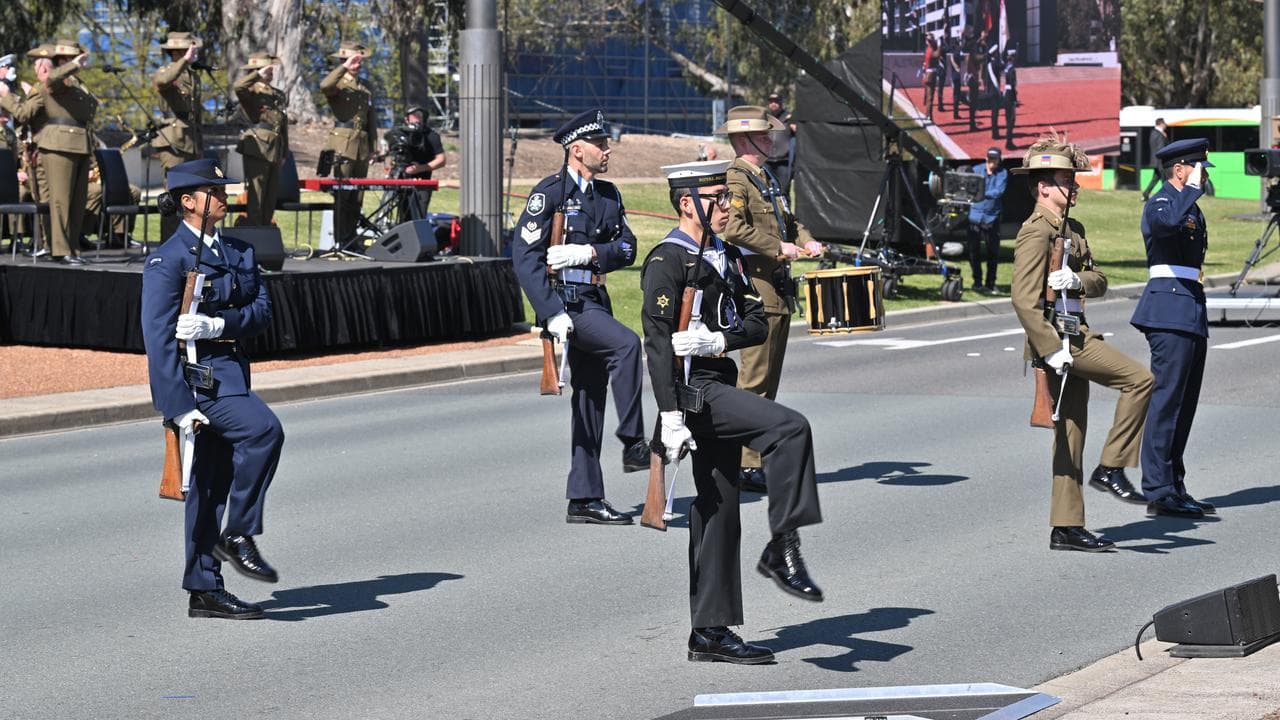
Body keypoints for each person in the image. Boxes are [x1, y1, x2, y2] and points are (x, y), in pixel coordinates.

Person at [641, 159, 824, 664]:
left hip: (717, 377)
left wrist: (718, 338)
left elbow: (756, 323)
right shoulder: (667, 261)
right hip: (694, 392)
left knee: (719, 506)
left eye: (725, 197)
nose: (726, 206)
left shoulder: (725, 256)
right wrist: (671, 416)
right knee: (789, 427)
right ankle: (782, 546)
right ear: (687, 204)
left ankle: (709, 633)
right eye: (716, 199)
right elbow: (657, 346)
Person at [140, 158, 285, 620]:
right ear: (188, 201)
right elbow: (157, 339)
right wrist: (177, 406)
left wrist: (218, 322)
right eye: (213, 193)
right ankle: (238, 533)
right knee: (264, 431)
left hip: (232, 374)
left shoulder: (240, 252)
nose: (224, 198)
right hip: (198, 382)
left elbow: (262, 315)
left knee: (209, 485)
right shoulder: (168, 260)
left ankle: (204, 588)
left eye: (224, 191)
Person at [1010, 133, 1153, 552]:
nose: (1074, 187)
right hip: (1061, 342)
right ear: (1043, 187)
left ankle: (1066, 526)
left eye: (1073, 180)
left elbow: (1100, 280)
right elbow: (1023, 299)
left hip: (1075, 332)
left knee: (1071, 433)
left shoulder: (1072, 229)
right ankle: (1111, 467)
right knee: (1139, 380)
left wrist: (1077, 279)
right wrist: (1050, 348)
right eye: (1065, 180)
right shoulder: (1035, 232)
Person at [511, 109, 648, 525]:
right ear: (576, 150)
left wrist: (590, 253)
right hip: (567, 304)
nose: (608, 149)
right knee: (627, 345)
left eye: (606, 142)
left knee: (589, 399)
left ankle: (584, 497)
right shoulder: (548, 194)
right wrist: (550, 313)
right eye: (600, 143)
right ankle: (633, 440)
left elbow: (628, 249)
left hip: (594, 299)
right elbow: (524, 257)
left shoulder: (608, 195)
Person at [717, 105, 823, 494]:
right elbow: (733, 227)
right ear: (744, 140)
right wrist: (779, 248)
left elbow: (789, 221)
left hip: (776, 288)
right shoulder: (736, 178)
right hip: (756, 288)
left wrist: (805, 239)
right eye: (763, 135)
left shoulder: (766, 178)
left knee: (769, 379)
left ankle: (754, 456)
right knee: (755, 378)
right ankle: (744, 463)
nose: (770, 140)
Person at [1131, 138, 1216, 519]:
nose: (1203, 177)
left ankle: (1174, 484)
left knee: (1185, 405)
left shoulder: (1190, 208)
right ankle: (1158, 489)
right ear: (1180, 169)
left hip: (1190, 309)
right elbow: (1165, 227)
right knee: (1167, 402)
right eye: (1197, 169)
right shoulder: (1162, 202)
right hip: (1168, 310)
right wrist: (1192, 189)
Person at [0, 40, 96, 265]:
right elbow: (28, 109)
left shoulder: (74, 83)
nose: (75, 61)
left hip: (80, 142)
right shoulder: (53, 82)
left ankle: (72, 249)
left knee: (77, 201)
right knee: (60, 201)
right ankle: (60, 250)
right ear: (61, 61)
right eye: (70, 58)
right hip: (58, 145)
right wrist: (6, 95)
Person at [320, 41, 377, 250]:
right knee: (342, 194)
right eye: (352, 60)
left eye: (358, 60)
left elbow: (372, 117)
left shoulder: (366, 86)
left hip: (361, 143)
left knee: (357, 195)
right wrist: (344, 67)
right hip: (342, 142)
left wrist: (373, 145)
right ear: (343, 61)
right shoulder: (338, 82)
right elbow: (324, 86)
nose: (357, 64)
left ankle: (352, 239)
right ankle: (341, 240)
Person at [153, 32, 205, 241]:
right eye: (185, 50)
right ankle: (169, 242)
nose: (190, 54)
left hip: (191, 139)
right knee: (174, 196)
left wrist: (200, 145)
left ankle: (190, 242)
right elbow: (163, 81)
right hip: (173, 139)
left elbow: (196, 113)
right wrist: (184, 60)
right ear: (175, 52)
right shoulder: (165, 71)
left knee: (192, 196)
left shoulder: (193, 76)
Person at [233, 52, 289, 227]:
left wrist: (284, 151)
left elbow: (283, 124)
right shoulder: (250, 91)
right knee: (256, 194)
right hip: (257, 144)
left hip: (275, 147)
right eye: (266, 69)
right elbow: (238, 87)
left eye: (271, 69)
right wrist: (257, 75)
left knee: (270, 196)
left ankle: (264, 231)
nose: (270, 72)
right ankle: (255, 233)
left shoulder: (278, 94)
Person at [385, 105, 445, 223]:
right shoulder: (399, 134)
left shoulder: (431, 136)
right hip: (401, 179)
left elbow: (441, 160)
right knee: (403, 217)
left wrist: (420, 168)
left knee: (418, 217)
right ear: (406, 119)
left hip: (422, 183)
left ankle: (414, 239)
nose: (417, 118)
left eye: (420, 116)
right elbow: (389, 151)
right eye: (414, 115)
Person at [968, 147, 1009, 294]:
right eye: (990, 159)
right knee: (974, 251)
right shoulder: (975, 170)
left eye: (995, 159)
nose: (992, 162)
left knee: (993, 252)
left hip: (992, 217)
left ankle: (990, 283)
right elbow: (969, 188)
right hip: (975, 215)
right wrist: (978, 193)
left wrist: (980, 193)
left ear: (999, 160)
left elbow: (998, 192)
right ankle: (977, 282)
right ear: (986, 158)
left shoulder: (1002, 173)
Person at [763, 92, 795, 197]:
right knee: (767, 192)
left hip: (783, 162)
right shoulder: (765, 118)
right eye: (771, 101)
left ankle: (786, 213)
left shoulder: (789, 117)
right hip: (767, 161)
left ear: (781, 103)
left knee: (783, 191)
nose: (773, 104)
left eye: (776, 101)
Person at [991, 47, 1017, 151]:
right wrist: (1015, 96)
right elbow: (1012, 84)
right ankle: (1009, 142)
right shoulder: (1012, 69)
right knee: (1011, 119)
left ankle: (1009, 140)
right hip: (1010, 95)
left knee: (1008, 119)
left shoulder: (1006, 68)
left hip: (1006, 95)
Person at [1141, 118, 1169, 202]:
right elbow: (1161, 148)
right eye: (1164, 123)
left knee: (1155, 179)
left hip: (1156, 161)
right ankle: (1166, 196)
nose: (1165, 125)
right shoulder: (1159, 134)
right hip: (1160, 161)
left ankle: (1146, 194)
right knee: (1165, 180)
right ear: (1161, 124)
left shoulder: (1153, 133)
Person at [921, 34, 940, 123]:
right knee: (930, 97)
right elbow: (938, 54)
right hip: (931, 75)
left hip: (927, 74)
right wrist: (940, 44)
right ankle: (929, 116)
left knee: (928, 96)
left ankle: (928, 115)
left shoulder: (927, 50)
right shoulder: (932, 50)